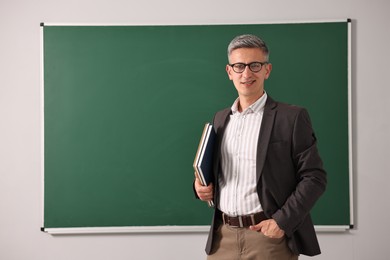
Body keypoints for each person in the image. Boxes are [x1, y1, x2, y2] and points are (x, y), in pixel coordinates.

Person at [194, 34, 327, 260]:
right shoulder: (220, 119)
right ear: (229, 72)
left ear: (267, 70)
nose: (246, 73)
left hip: (268, 240)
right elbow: (219, 172)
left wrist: (282, 222)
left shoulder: (291, 118)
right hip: (222, 238)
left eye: (255, 65)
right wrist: (200, 186)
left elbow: (314, 177)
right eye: (239, 66)